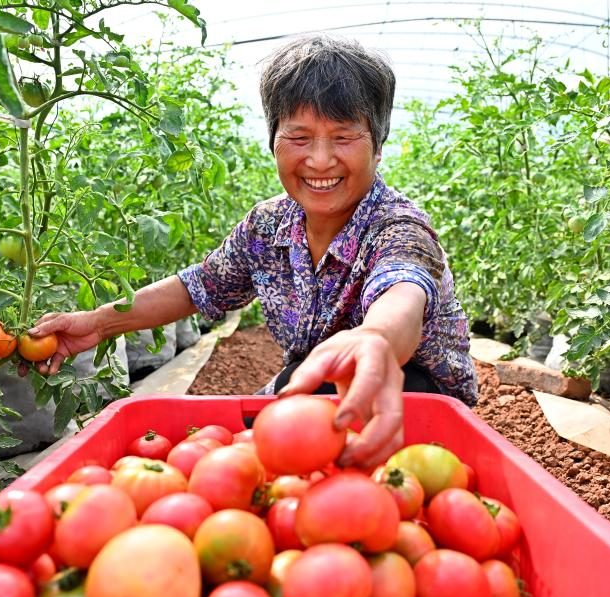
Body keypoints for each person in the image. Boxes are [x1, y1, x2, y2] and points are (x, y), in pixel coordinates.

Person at [26, 34, 478, 468]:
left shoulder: (399, 226)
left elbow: (403, 289)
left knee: (289, 431)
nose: (320, 160)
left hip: (415, 403)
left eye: (343, 137)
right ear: (274, 143)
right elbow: (199, 287)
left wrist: (376, 340)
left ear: (377, 147)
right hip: (315, 383)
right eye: (299, 137)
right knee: (255, 436)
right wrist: (98, 324)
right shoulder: (268, 225)